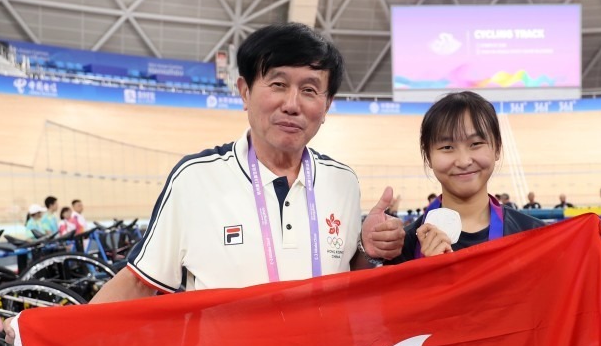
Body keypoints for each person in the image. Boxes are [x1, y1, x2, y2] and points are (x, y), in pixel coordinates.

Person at [85, 22, 404, 304]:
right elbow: (139, 284)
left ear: (327, 105)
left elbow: (347, 278)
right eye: (278, 84)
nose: (292, 104)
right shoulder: (195, 179)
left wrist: (368, 248)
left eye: (309, 89)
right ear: (244, 91)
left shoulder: (343, 181)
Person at [391, 91, 601, 267]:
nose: (463, 160)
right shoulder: (404, 247)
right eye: (447, 146)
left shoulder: (533, 237)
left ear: (497, 149)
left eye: (476, 144)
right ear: (428, 157)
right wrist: (420, 273)